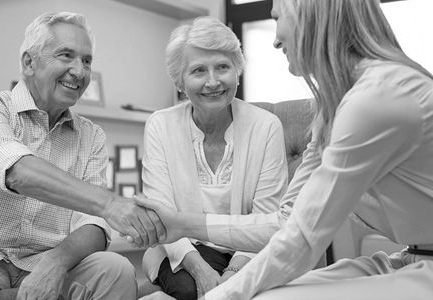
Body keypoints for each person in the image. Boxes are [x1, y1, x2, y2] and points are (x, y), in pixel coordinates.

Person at [139, 0, 433, 299]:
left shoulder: (377, 98)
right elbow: (286, 222)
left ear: (310, 16)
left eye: (278, 17)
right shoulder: (335, 107)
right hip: (409, 257)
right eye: (199, 70)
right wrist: (182, 225)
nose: (276, 38)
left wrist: (222, 294)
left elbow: (304, 236)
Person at [0, 11, 165, 300]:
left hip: (48, 256)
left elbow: (93, 225)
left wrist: (55, 262)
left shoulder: (92, 135)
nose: (79, 71)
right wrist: (111, 204)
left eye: (86, 61)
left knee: (115, 269)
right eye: (66, 55)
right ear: (29, 62)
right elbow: (17, 171)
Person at [140, 16, 289, 300]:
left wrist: (231, 276)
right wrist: (203, 273)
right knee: (186, 290)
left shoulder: (266, 126)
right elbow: (162, 216)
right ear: (180, 81)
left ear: (237, 71)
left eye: (222, 67)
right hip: (182, 249)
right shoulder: (160, 125)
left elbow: (266, 220)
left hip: (249, 251)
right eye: (198, 70)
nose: (213, 81)